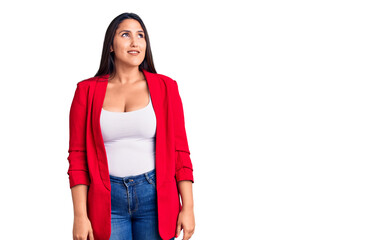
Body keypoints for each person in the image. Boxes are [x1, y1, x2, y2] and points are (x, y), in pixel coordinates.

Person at [67, 12, 195, 240]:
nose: (135, 42)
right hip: (106, 201)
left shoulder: (166, 87)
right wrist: (79, 215)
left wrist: (188, 207)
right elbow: (77, 157)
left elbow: (180, 152)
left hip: (154, 197)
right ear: (110, 46)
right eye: (125, 34)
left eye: (140, 35)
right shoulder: (85, 91)